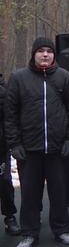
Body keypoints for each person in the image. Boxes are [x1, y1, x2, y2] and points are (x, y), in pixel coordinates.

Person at [5, 37, 69, 247]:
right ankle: (29, 233)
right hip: (29, 148)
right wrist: (14, 143)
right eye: (40, 51)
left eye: (49, 51)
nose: (45, 54)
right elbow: (10, 115)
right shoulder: (18, 78)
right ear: (33, 54)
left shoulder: (65, 78)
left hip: (57, 148)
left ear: (54, 55)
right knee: (29, 194)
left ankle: (62, 229)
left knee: (59, 192)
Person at [0, 72, 20, 236]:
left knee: (5, 182)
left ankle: (10, 217)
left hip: (1, 146)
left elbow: (9, 118)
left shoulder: (3, 92)